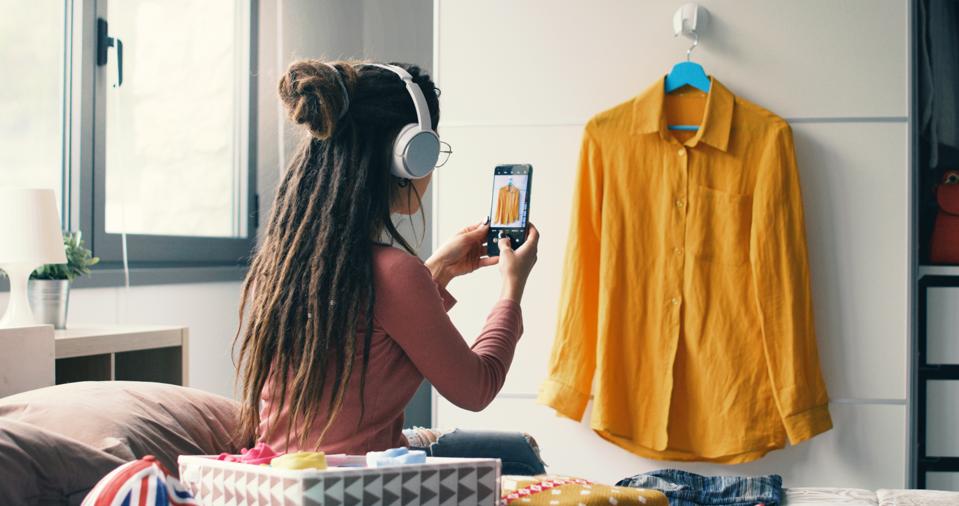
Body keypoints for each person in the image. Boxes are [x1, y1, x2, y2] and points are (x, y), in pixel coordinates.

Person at [233, 59, 541, 470]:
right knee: (522, 458)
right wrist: (512, 289)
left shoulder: (286, 266)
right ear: (411, 155)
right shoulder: (397, 273)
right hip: (353, 491)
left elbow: (373, 325)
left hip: (283, 481)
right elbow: (477, 387)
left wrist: (440, 270)